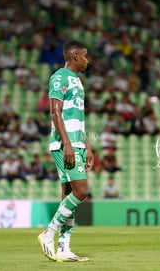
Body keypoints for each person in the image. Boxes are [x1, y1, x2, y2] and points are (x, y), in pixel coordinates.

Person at [37, 40, 93, 262]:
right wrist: (68, 144)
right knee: (81, 191)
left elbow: (77, 117)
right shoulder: (59, 77)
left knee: (68, 196)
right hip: (64, 144)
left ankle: (63, 248)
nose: (88, 60)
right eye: (85, 56)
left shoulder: (78, 82)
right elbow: (55, 112)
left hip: (76, 143)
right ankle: (48, 234)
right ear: (75, 56)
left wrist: (86, 145)